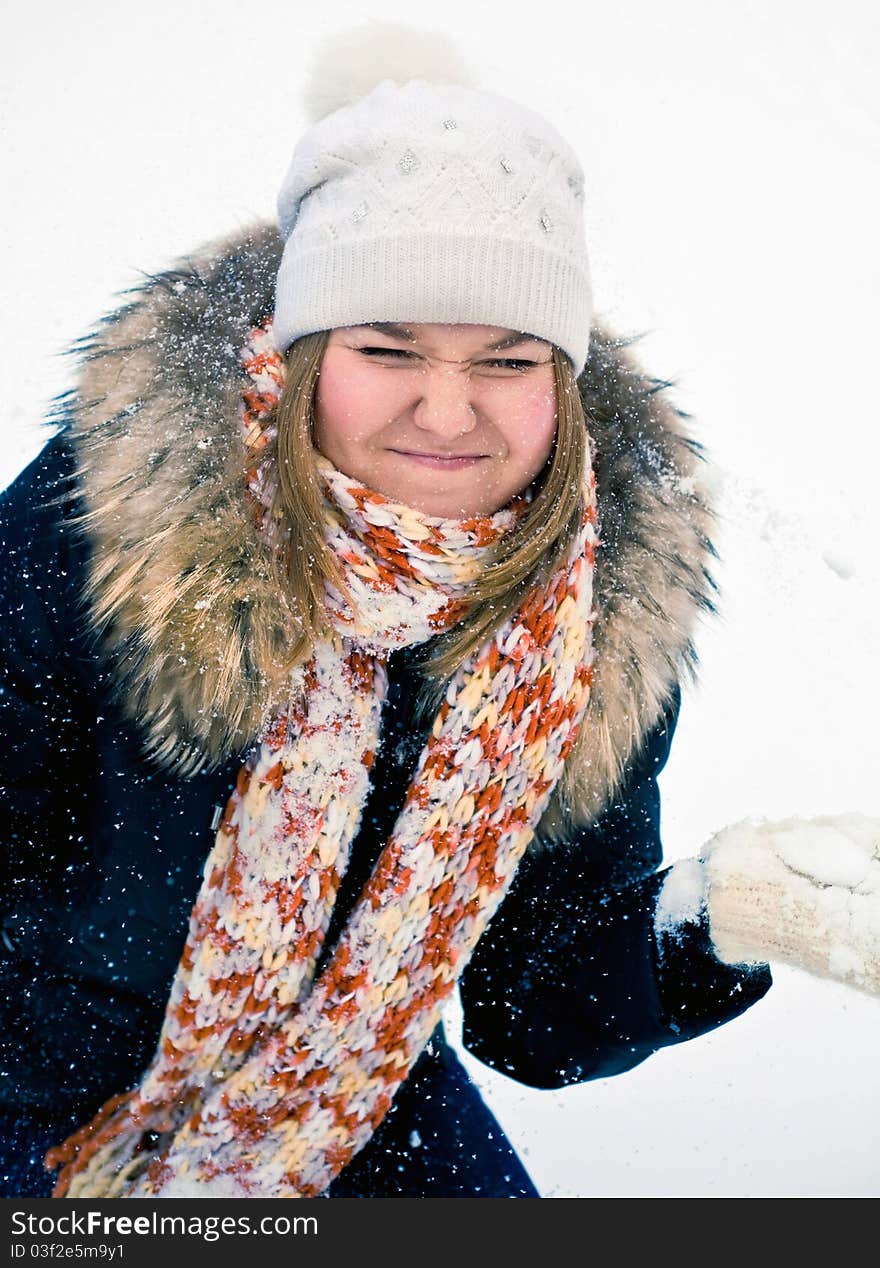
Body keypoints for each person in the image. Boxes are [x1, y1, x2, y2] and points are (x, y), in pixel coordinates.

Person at [1, 23, 877, 1200]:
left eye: (508, 360)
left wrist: (722, 913)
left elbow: (531, 1006)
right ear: (309, 352)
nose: (448, 411)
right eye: (388, 347)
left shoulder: (593, 612)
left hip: (355, 1087)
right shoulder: (108, 528)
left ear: (561, 381)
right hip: (48, 1093)